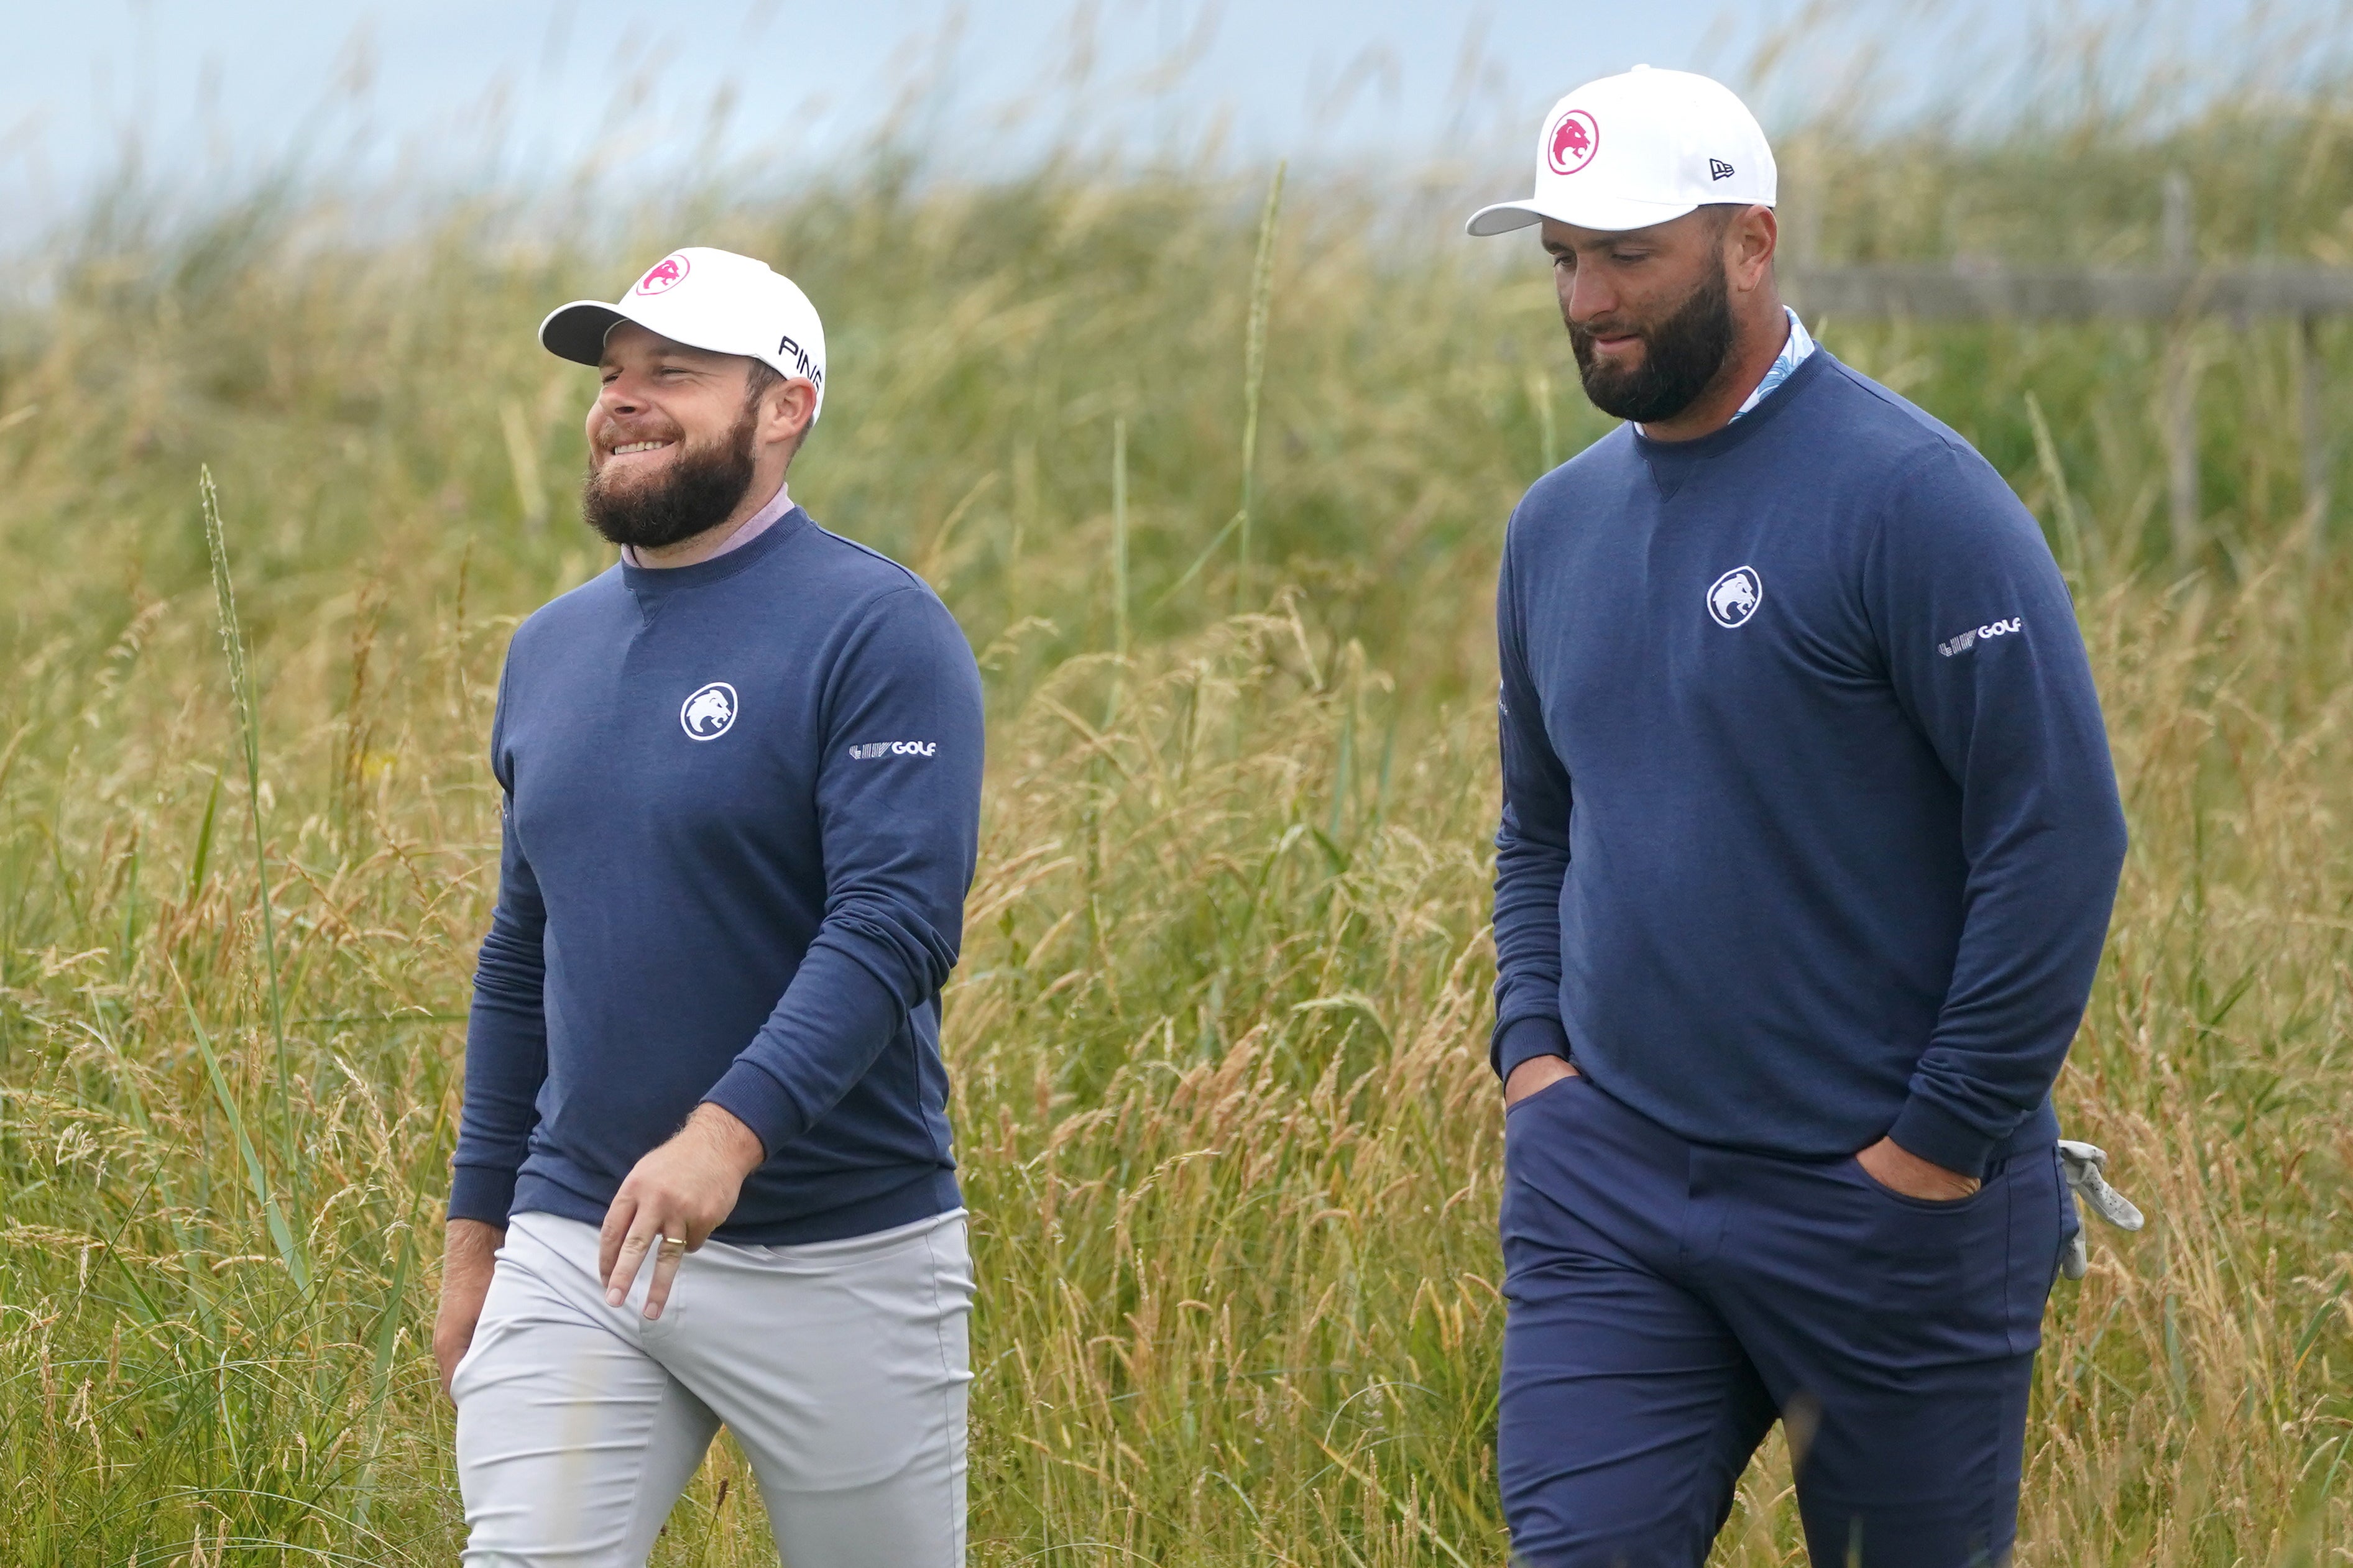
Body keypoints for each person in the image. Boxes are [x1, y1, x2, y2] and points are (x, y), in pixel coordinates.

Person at [1467, 68, 2128, 1567]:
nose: (1588, 299)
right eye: (1563, 256)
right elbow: (1540, 826)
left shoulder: (1914, 498)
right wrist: (1535, 1060)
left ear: (1750, 243)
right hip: (1611, 1189)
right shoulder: (1554, 526)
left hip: (1887, 1208)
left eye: (1628, 252)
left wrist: (1936, 1147)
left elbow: (2057, 836)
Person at [431, 245, 986, 1567]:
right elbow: (522, 958)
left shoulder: (877, 628)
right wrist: (476, 1240)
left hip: (840, 1248)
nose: (622, 399)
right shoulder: (549, 648)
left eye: (672, 373)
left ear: (784, 406)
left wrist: (724, 1139)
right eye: (611, 377)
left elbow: (894, 923)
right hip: (579, 1239)